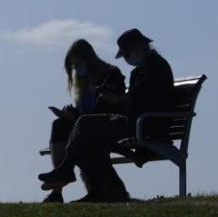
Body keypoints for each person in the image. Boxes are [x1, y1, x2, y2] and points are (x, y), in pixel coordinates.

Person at [39, 29, 174, 202]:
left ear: (140, 47)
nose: (126, 59)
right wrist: (118, 100)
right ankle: (95, 191)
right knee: (84, 133)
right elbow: (132, 101)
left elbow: (146, 101)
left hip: (145, 125)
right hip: (133, 121)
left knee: (85, 125)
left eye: (126, 53)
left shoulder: (157, 68)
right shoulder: (140, 71)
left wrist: (117, 100)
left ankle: (67, 171)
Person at [42, 39, 126, 203]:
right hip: (86, 125)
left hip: (109, 125)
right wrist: (70, 114)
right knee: (59, 125)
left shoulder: (110, 74)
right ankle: (57, 189)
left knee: (83, 132)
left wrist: (74, 117)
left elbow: (104, 111)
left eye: (78, 64)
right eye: (73, 66)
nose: (76, 69)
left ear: (89, 60)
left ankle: (66, 174)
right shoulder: (83, 82)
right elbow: (84, 114)